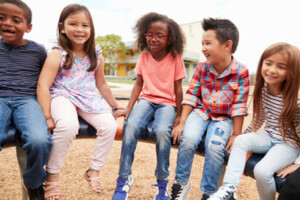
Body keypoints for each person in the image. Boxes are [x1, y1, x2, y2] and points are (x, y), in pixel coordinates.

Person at [37, 4, 120, 200]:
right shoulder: (58, 53)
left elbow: (102, 84)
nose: (80, 29)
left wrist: (116, 106)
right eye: (73, 24)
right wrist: (48, 116)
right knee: (68, 126)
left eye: (85, 25)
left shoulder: (96, 54)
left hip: (88, 96)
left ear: (91, 29)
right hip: (62, 95)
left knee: (109, 125)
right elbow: (43, 85)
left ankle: (94, 170)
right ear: (63, 27)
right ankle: (52, 174)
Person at [170, 18, 250, 200]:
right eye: (202, 44)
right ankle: (181, 183)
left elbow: (239, 105)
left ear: (227, 45)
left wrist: (236, 134)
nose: (203, 48)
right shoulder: (202, 67)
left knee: (215, 146)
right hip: (201, 112)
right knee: (188, 138)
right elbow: (191, 95)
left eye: (208, 43)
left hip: (224, 118)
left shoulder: (241, 72)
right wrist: (182, 122)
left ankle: (209, 192)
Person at [209, 42, 300, 200]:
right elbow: (259, 119)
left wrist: (298, 164)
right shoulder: (265, 89)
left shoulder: (296, 99)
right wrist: (244, 139)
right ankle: (229, 189)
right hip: (268, 136)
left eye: (281, 67)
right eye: (268, 63)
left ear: (292, 72)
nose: (271, 70)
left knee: (262, 171)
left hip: (288, 144)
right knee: (241, 140)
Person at [112, 12, 186, 200]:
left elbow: (178, 89)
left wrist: (179, 114)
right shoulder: (144, 57)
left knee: (162, 131)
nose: (153, 38)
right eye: (149, 34)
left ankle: (162, 185)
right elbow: (138, 84)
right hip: (147, 100)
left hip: (167, 104)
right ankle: (124, 179)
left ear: (169, 40)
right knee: (131, 126)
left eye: (159, 35)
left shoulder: (175, 57)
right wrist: (129, 108)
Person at [0, 0, 52, 199]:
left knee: (40, 140)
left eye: (16, 20)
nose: (7, 23)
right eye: (1, 18)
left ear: (28, 27)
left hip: (27, 99)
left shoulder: (38, 51)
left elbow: (44, 81)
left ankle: (34, 182)